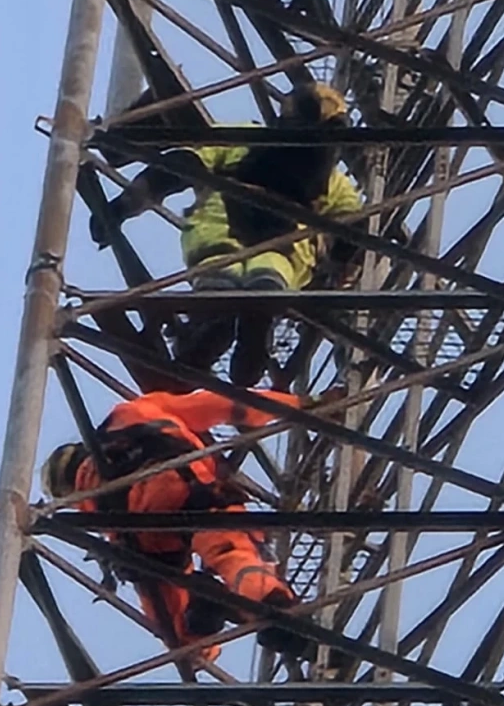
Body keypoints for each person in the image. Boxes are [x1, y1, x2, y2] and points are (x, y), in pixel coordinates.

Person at [92, 84, 365, 385]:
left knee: (225, 282)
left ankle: (216, 326)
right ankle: (250, 323)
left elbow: (183, 165)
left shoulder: (246, 139)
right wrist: (344, 260)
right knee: (264, 277)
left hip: (227, 228)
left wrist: (123, 206)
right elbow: (350, 228)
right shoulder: (332, 182)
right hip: (281, 243)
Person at [40, 385, 328, 666]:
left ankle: (201, 617)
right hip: (183, 488)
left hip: (142, 531)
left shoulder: (91, 502)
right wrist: (297, 405)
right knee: (234, 556)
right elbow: (222, 404)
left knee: (172, 622)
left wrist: (200, 650)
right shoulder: (131, 413)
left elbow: (154, 593)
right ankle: (279, 612)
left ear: (67, 491)